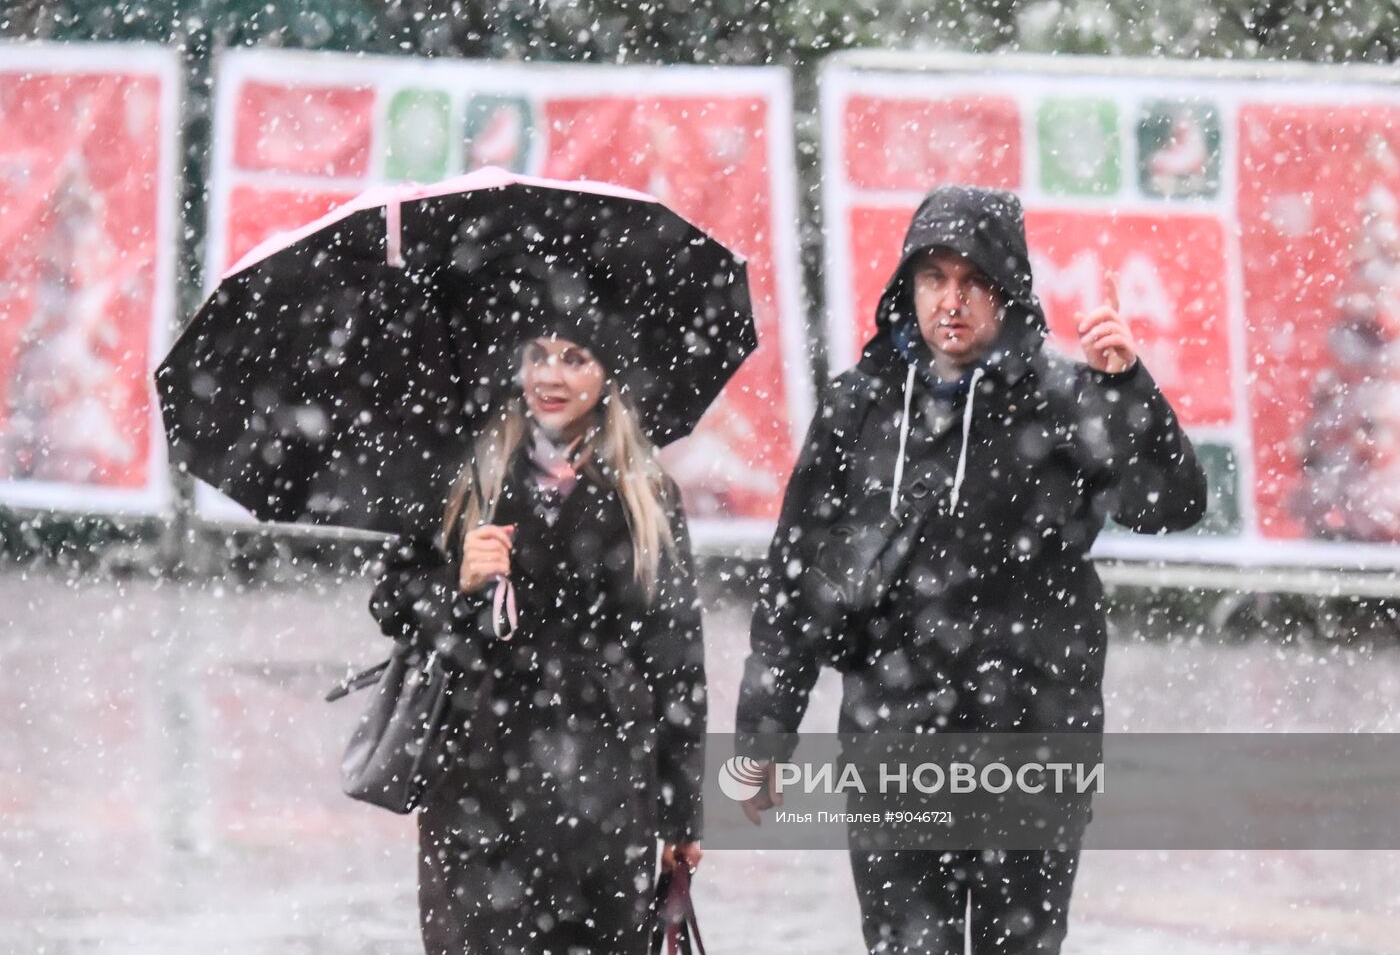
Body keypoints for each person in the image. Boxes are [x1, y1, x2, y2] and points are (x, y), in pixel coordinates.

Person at [736, 185, 1208, 953]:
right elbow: (797, 574)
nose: (950, 301)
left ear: (1009, 291)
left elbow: (1171, 504)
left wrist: (1129, 389)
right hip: (894, 743)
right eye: (934, 278)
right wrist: (763, 734)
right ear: (907, 288)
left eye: (973, 280)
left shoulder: (1064, 399)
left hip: (1031, 745)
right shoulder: (862, 407)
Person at [369, 322, 706, 955]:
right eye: (536, 357)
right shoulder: (466, 475)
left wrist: (684, 812)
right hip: (478, 787)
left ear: (608, 374)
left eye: (574, 359)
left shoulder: (647, 494)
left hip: (607, 800)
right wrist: (458, 583)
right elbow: (392, 599)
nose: (549, 377)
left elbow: (678, 658)